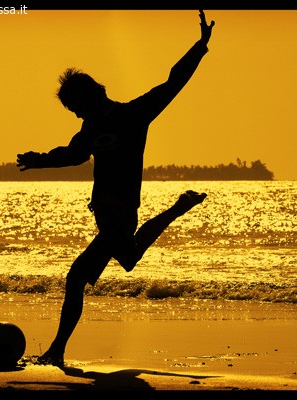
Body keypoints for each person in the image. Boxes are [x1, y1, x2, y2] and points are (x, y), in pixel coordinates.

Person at [16, 10, 215, 367]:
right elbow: (73, 155)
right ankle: (178, 208)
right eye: (72, 110)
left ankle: (57, 350)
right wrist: (39, 160)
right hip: (107, 214)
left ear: (91, 96)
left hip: (121, 212)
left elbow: (173, 82)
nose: (76, 114)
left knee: (76, 277)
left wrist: (199, 47)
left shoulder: (134, 115)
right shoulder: (89, 129)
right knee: (129, 259)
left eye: (76, 107)